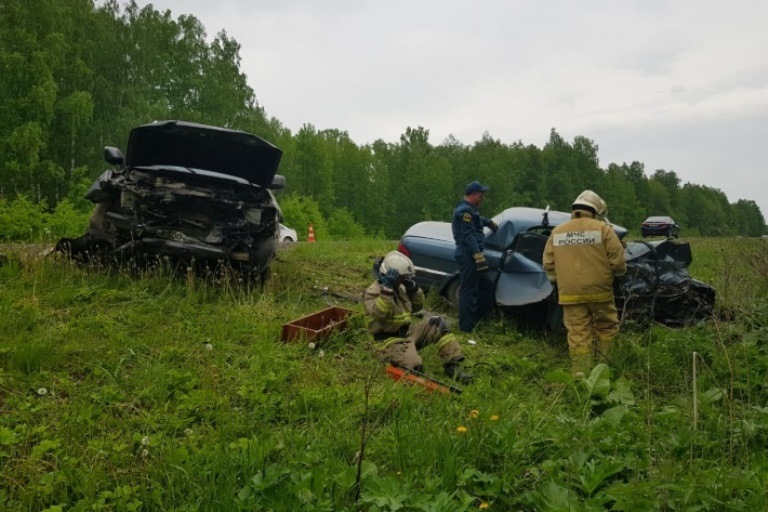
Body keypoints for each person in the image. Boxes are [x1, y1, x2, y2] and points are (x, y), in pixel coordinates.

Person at [542, 190, 627, 377]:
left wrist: (560, 282)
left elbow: (548, 265)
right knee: (606, 328)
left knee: (578, 334)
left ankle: (581, 376)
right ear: (595, 211)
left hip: (570, 294)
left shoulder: (557, 232)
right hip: (601, 292)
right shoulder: (604, 230)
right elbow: (619, 263)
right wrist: (616, 276)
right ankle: (604, 373)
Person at [363, 251, 473, 383]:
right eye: (402, 278)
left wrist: (413, 289)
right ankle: (400, 358)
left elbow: (418, 307)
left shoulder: (401, 288)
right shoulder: (372, 292)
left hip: (408, 334)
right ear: (389, 275)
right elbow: (380, 314)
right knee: (414, 365)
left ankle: (452, 366)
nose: (404, 280)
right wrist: (387, 291)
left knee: (436, 323)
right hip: (388, 341)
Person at [451, 181, 498, 332]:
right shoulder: (464, 212)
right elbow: (468, 235)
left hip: (471, 253)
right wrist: (478, 256)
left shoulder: (470, 210)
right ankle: (466, 329)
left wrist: (488, 222)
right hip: (468, 254)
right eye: (480, 195)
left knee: (487, 286)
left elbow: (476, 219)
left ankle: (476, 319)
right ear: (472, 194)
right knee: (468, 291)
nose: (482, 197)